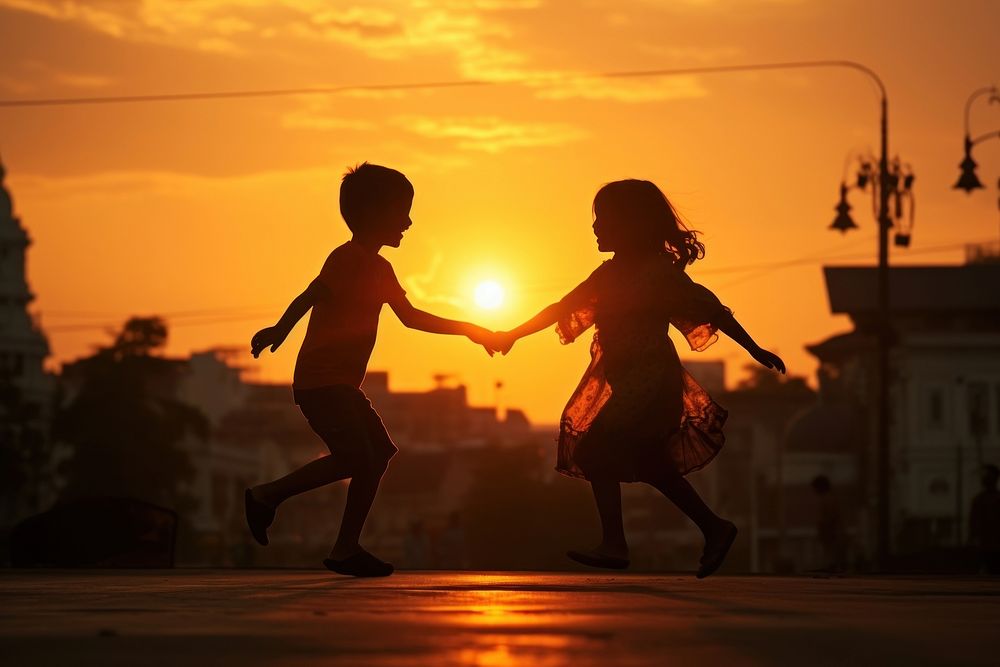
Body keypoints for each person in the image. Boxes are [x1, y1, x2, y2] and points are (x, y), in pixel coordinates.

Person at [495, 179, 784, 578]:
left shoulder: (656, 275)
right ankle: (714, 528)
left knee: (593, 451)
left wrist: (755, 349)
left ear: (633, 224)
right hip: (628, 383)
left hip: (652, 384)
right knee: (650, 464)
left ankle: (616, 544)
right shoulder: (608, 275)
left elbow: (712, 310)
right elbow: (562, 307)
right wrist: (512, 333)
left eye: (604, 220)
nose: (596, 228)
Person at [244, 163, 496, 577]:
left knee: (376, 455)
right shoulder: (347, 258)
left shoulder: (381, 269)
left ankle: (341, 545)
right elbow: (311, 294)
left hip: (342, 385)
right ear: (372, 213)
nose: (409, 222)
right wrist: (280, 328)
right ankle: (270, 496)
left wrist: (469, 330)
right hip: (321, 384)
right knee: (359, 457)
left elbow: (411, 317)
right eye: (402, 211)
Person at [810, 475, 848, 572]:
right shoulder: (829, 498)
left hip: (831, 533)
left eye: (815, 488)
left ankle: (832, 568)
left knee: (832, 555)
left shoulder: (828, 499)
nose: (814, 491)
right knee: (831, 554)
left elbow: (830, 517)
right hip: (831, 533)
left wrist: (824, 528)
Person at [969, 464, 1000, 574]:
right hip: (985, 545)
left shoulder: (993, 499)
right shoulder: (978, 500)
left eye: (987, 476)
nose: (984, 479)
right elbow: (973, 522)